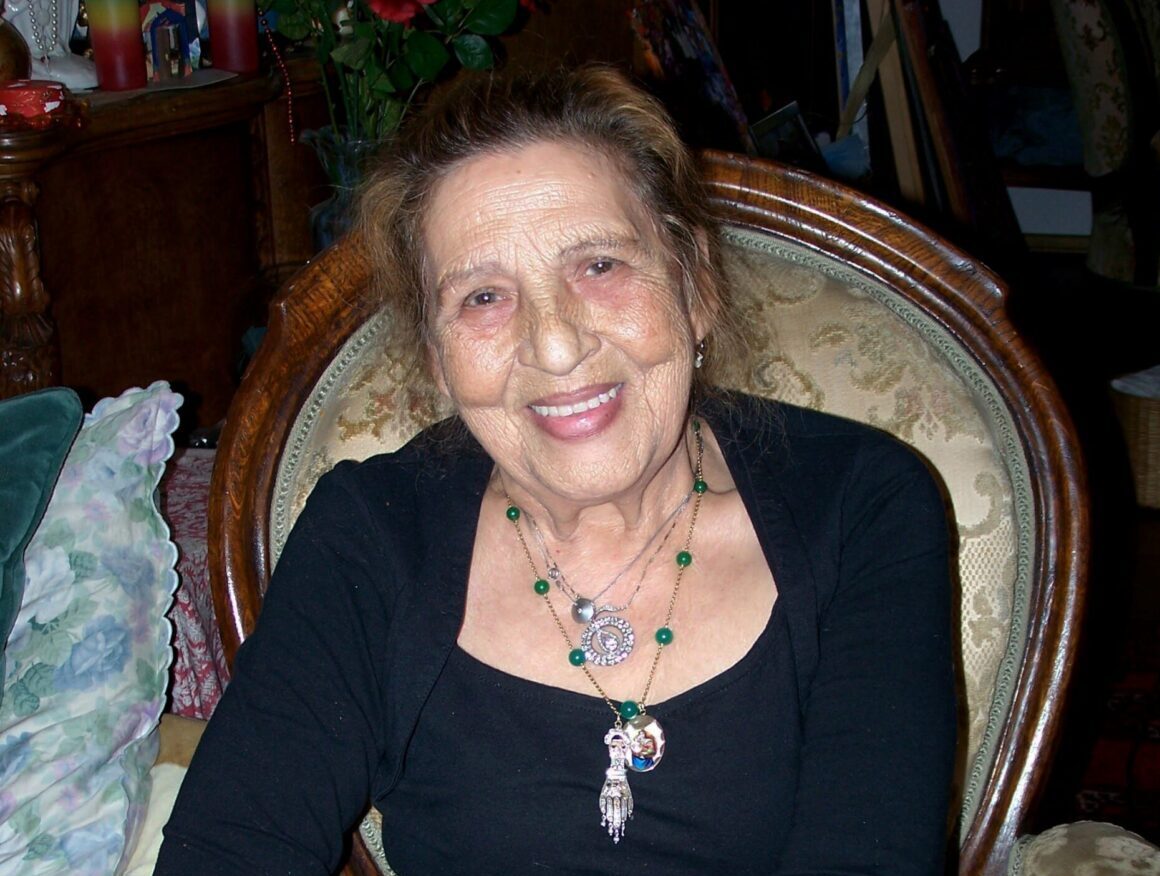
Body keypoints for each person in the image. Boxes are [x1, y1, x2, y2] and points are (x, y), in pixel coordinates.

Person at [157, 64, 957, 875]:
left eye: (600, 266)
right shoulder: (371, 533)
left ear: (696, 286)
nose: (555, 345)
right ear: (436, 357)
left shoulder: (859, 504)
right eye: (483, 297)